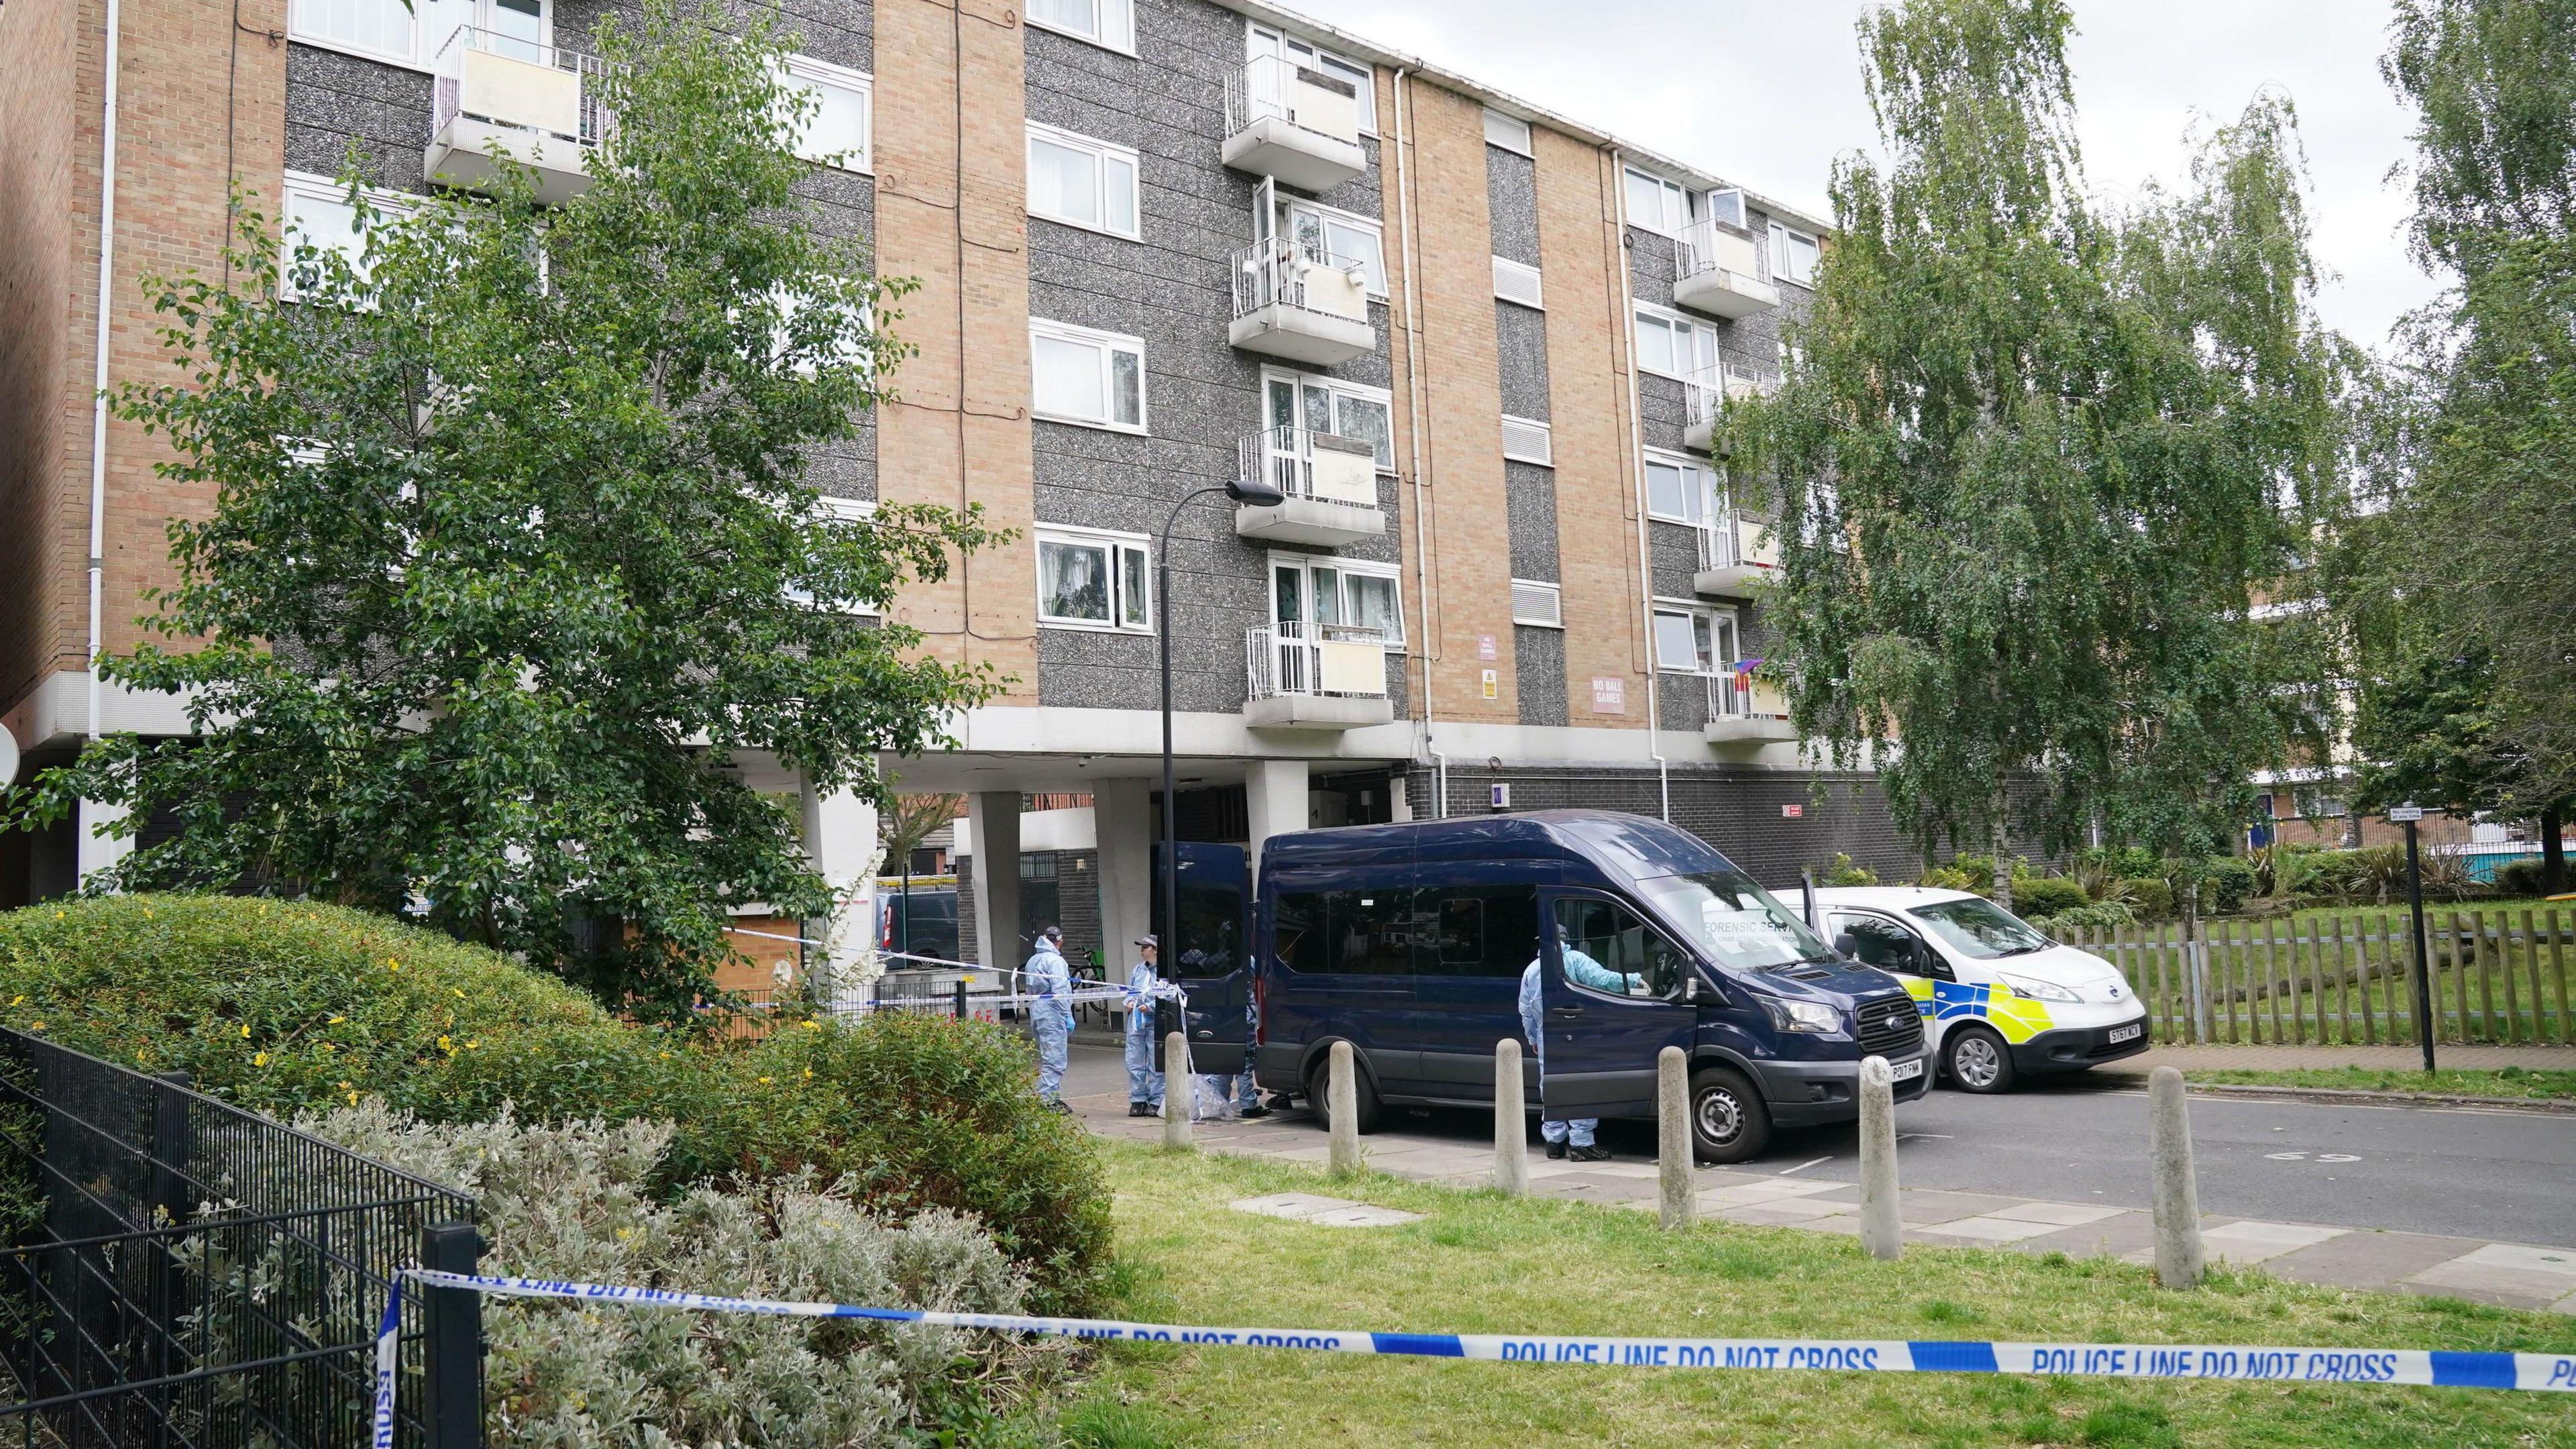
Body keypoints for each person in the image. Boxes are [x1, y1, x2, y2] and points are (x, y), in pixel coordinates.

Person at [1517, 933, 1641, 1163]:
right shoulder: (1575, 960)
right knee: (1581, 1085)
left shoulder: (1532, 969)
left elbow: (1525, 1010)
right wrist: (1635, 979)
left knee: (1551, 1085)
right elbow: (1603, 980)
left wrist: (1532, 1038)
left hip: (1547, 1033)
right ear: (1565, 941)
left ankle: (1554, 1142)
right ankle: (1582, 1143)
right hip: (1577, 1029)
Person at [1026, 926, 1074, 1112]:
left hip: (1037, 1011)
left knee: (1048, 1057)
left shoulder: (1034, 959)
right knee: (1056, 1060)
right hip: (1052, 1012)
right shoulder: (1055, 961)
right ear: (1060, 942)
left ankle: (1053, 1097)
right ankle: (1047, 1100)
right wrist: (1067, 1015)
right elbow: (1061, 990)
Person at [1124, 935, 1165, 1118]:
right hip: (1136, 1021)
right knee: (1134, 1061)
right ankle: (1138, 1099)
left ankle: (1157, 1100)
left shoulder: (1163, 972)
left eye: (1145, 947)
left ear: (1155, 950)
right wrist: (1130, 1002)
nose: (1142, 950)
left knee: (1156, 1062)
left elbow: (1167, 995)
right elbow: (1129, 992)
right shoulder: (1138, 970)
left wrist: (1151, 1007)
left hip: (1155, 1021)